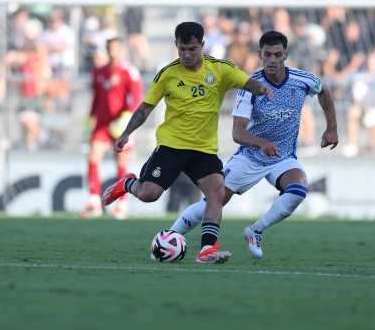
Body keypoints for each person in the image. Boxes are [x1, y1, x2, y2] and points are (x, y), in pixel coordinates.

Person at [102, 21, 273, 264]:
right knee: (149, 194)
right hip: (171, 146)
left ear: (202, 46)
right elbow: (145, 108)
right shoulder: (168, 74)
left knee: (217, 192)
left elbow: (247, 82)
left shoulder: (220, 69)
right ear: (176, 46)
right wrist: (127, 132)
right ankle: (129, 184)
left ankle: (207, 249)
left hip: (203, 150)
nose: (186, 54)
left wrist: (264, 90)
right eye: (182, 49)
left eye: (192, 49)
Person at [170, 30, 338, 259]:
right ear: (260, 54)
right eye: (267, 54)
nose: (272, 60)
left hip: (282, 157)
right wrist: (261, 143)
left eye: (277, 54)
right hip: (250, 157)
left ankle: (255, 230)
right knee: (215, 200)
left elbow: (324, 91)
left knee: (298, 190)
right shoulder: (250, 86)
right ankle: (170, 236)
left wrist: (332, 128)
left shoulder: (302, 80)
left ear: (285, 55)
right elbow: (238, 133)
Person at [83, 37, 143, 219]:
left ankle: (122, 204)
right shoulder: (99, 71)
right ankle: (94, 200)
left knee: (121, 163)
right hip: (102, 123)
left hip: (121, 125)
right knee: (94, 155)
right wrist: (91, 117)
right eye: (110, 48)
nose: (112, 52)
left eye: (116, 48)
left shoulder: (129, 72)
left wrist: (128, 122)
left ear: (122, 50)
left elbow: (137, 97)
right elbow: (96, 97)